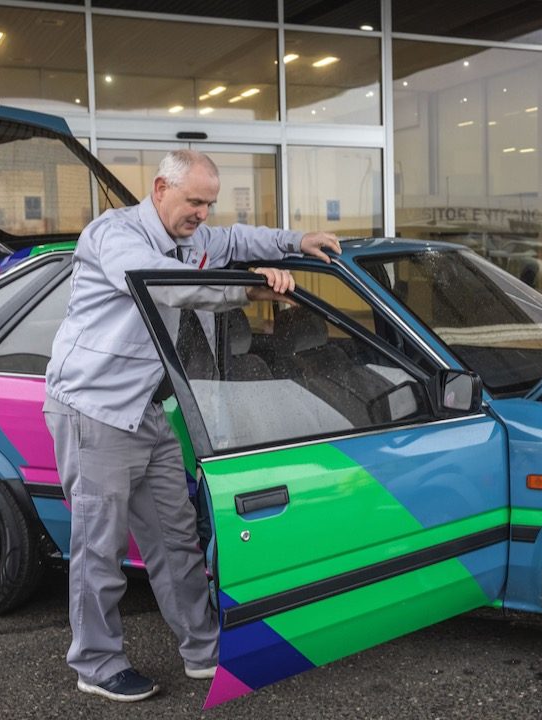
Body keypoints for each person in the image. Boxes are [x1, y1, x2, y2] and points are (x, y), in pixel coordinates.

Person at [42, 149, 341, 701]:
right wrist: (246, 288)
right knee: (99, 549)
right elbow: (164, 284)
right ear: (160, 189)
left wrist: (296, 241)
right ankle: (96, 663)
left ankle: (203, 651)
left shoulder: (194, 236)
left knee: (176, 539)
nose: (203, 214)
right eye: (194, 201)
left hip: (146, 410)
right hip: (93, 409)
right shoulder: (114, 236)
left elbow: (237, 240)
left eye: (209, 204)